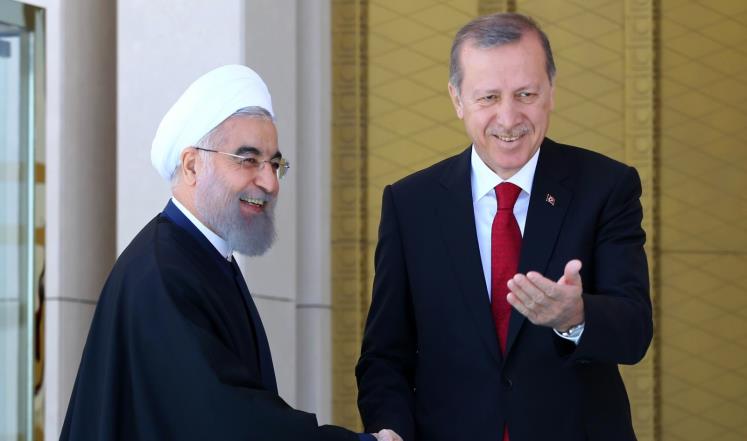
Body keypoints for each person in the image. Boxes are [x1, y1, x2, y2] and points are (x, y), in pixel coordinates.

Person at [61, 65, 401, 441]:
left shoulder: (199, 256)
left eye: (274, 164)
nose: (269, 182)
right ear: (192, 166)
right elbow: (227, 422)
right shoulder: (163, 274)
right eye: (248, 160)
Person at [356, 13, 652, 441]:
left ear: (551, 91)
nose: (509, 118)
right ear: (458, 99)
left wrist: (576, 316)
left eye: (526, 94)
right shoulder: (410, 204)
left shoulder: (607, 187)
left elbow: (634, 331)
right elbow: (385, 355)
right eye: (489, 97)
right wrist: (390, 430)